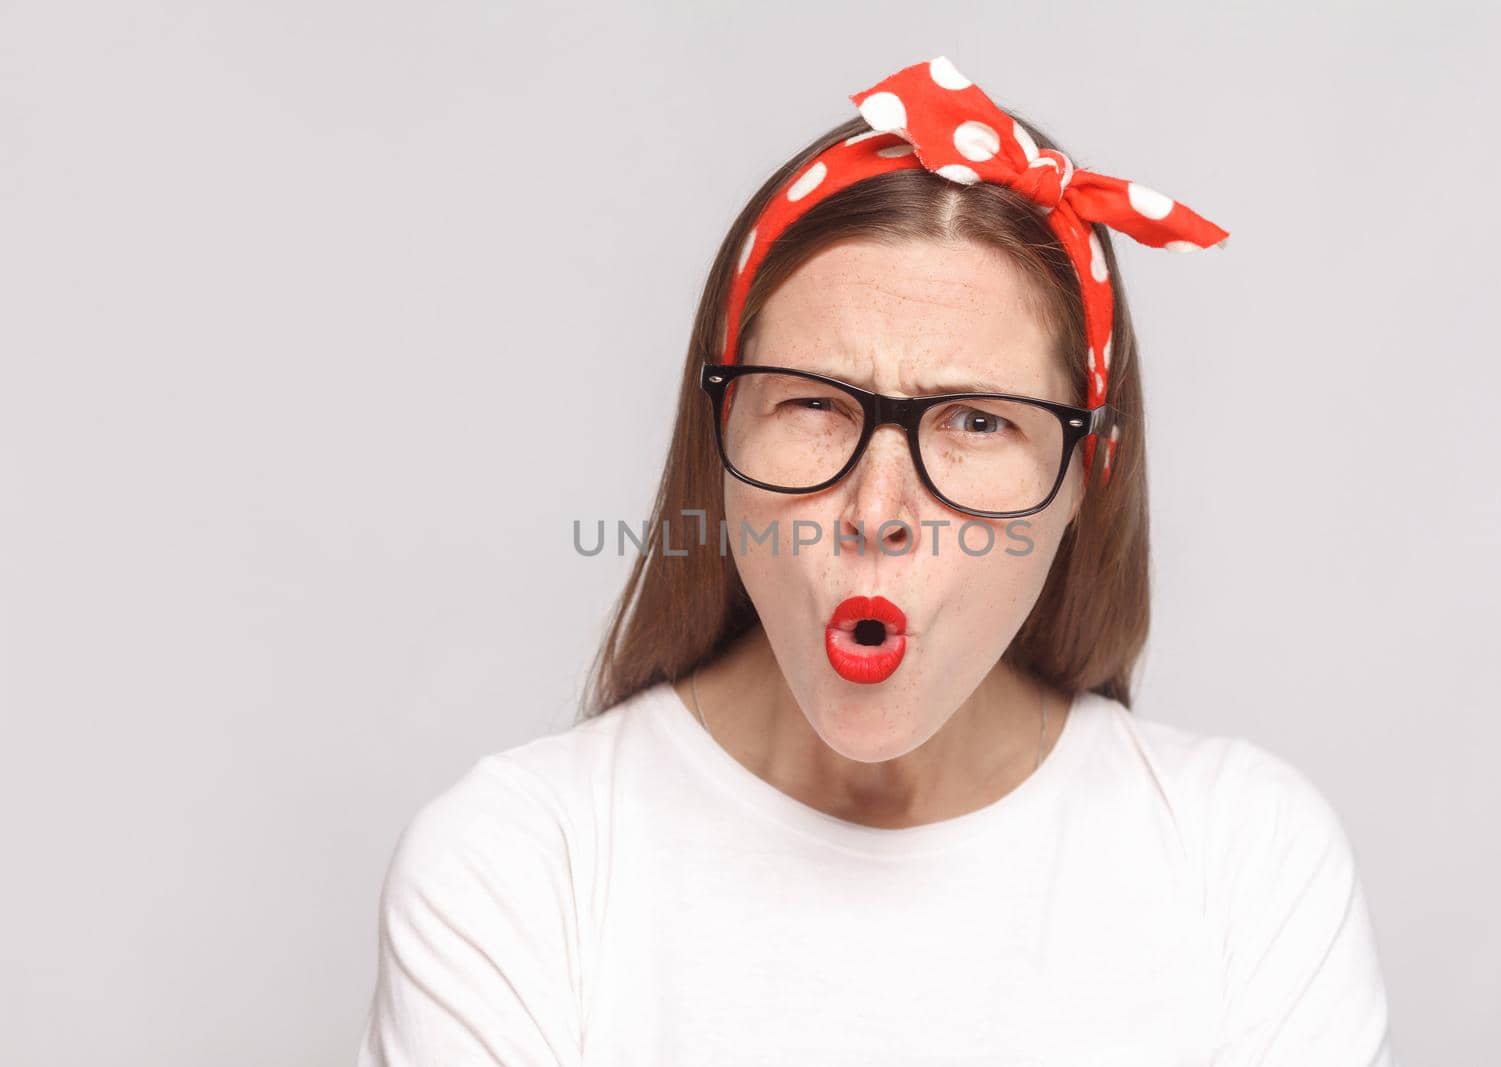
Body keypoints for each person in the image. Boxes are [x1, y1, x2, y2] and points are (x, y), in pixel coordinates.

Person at [356, 56, 1396, 1065]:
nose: (877, 511)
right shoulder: (517, 864)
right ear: (715, 431)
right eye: (813, 404)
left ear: (1091, 473)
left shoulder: (1244, 857)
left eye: (978, 421)